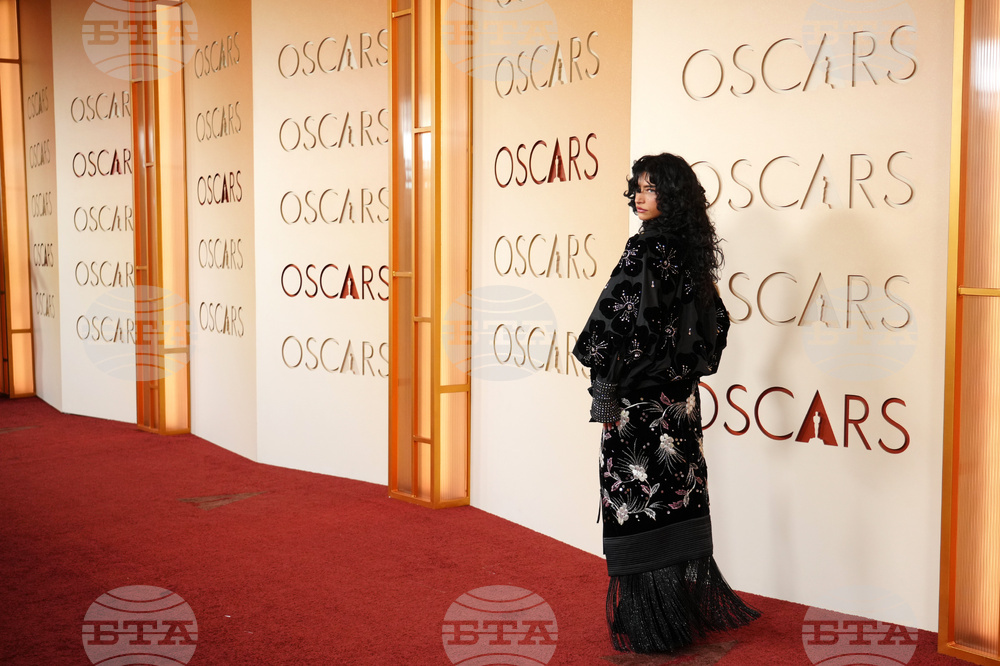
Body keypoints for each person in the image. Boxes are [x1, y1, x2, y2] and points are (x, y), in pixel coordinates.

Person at [572, 153, 760, 653]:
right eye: (636, 186)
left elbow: (610, 324)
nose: (638, 195)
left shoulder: (644, 250)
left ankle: (651, 623)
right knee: (676, 494)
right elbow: (715, 325)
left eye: (650, 188)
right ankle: (674, 614)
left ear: (670, 195)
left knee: (636, 505)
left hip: (636, 404)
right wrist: (679, 371)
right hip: (678, 405)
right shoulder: (691, 253)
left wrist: (605, 391)